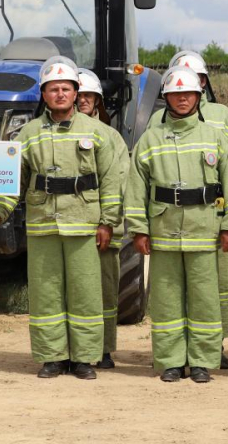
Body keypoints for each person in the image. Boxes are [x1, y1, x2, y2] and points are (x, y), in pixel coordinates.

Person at [0, 56, 120, 380]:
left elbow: (110, 180)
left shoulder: (97, 132)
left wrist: (107, 221)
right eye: (53, 89)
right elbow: (11, 179)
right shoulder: (27, 133)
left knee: (85, 293)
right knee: (46, 294)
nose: (60, 94)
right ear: (43, 95)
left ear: (76, 91)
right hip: (43, 224)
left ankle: (84, 358)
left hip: (84, 223)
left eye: (65, 88)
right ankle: (52, 358)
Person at [124, 66, 228, 383]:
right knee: (165, 300)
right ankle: (171, 361)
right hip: (163, 232)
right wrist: (138, 228)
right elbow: (136, 188)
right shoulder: (150, 140)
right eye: (175, 94)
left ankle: (202, 361)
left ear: (198, 96)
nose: (182, 99)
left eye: (188, 93)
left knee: (205, 299)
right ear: (166, 97)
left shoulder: (216, 138)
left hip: (205, 232)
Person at [77, 68, 130, 369]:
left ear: (97, 100)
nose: (83, 100)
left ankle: (105, 348)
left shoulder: (111, 137)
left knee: (105, 289)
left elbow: (121, 183)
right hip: (70, 226)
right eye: (79, 94)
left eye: (88, 95)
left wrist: (108, 221)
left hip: (102, 227)